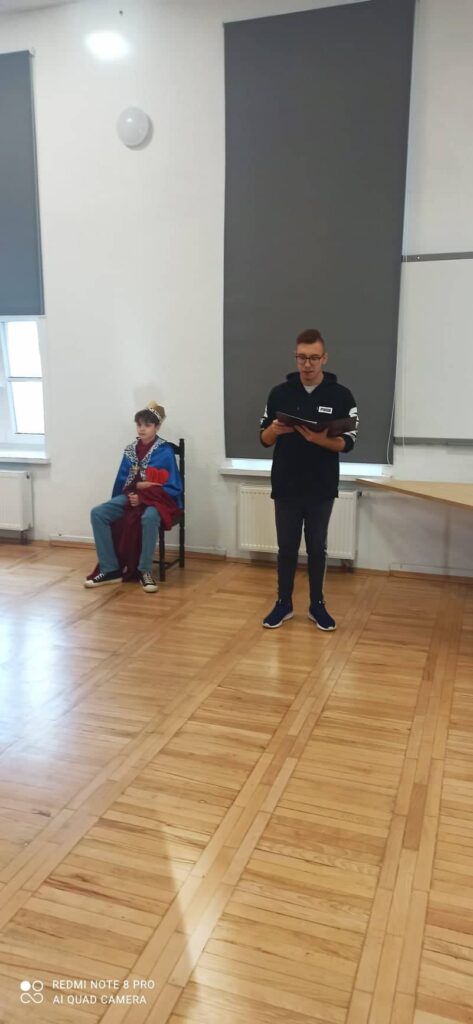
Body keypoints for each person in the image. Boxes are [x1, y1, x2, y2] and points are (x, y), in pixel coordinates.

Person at [260, 328, 358, 630]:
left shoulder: (341, 395)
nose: (307, 364)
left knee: (317, 548)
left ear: (324, 358)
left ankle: (317, 605)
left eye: (314, 358)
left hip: (321, 486)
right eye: (302, 357)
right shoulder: (279, 393)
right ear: (295, 357)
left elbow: (349, 442)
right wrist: (274, 430)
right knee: (286, 548)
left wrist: (320, 440)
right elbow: (264, 439)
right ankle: (283, 604)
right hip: (286, 484)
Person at [85, 402, 183, 593]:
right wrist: (134, 490)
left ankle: (144, 570)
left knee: (149, 517)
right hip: (132, 496)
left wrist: (143, 497)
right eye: (139, 425)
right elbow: (123, 481)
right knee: (98, 513)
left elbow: (171, 486)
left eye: (147, 425)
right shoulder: (130, 450)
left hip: (158, 501)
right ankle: (110, 569)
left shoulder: (165, 451)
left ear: (157, 427)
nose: (142, 429)